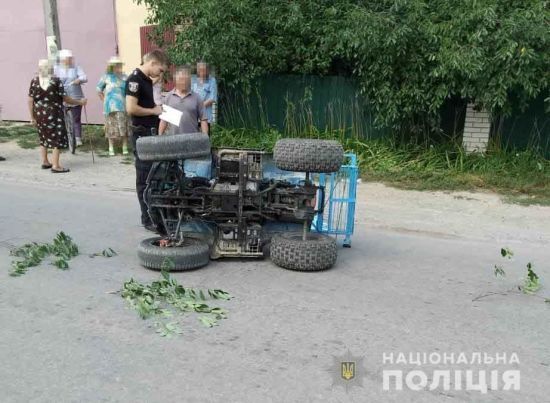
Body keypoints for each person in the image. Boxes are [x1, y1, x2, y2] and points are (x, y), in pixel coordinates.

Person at [125, 50, 167, 231]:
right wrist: (153, 111)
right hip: (141, 135)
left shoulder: (146, 79)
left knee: (154, 176)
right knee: (144, 178)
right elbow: (131, 108)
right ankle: (147, 218)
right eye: (160, 70)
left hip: (150, 133)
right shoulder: (135, 80)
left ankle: (155, 215)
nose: (160, 74)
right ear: (153, 63)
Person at [28, 59, 87, 173]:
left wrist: (32, 117)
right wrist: (80, 102)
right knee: (57, 138)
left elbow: (30, 100)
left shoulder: (34, 81)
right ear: (51, 68)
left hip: (39, 114)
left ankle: (45, 161)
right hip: (54, 114)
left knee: (43, 137)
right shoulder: (55, 81)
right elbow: (66, 99)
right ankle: (55, 165)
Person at [159, 65, 208, 136]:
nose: (184, 82)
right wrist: (160, 136)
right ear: (175, 80)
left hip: (193, 139)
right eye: (181, 79)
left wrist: (205, 137)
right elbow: (164, 120)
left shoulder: (197, 97)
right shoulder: (168, 97)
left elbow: (203, 119)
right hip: (173, 139)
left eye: (186, 80)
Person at [97, 56, 130, 156]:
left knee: (123, 126)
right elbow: (98, 89)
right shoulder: (106, 76)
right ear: (111, 66)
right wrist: (104, 100)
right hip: (109, 107)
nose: (116, 67)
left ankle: (124, 146)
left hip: (122, 105)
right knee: (110, 127)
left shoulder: (125, 77)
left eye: (118, 65)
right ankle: (111, 147)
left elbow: (129, 91)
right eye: (114, 65)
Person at [54, 49, 87, 146]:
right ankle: (64, 137)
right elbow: (50, 78)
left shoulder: (76, 67)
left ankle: (77, 138)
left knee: (76, 118)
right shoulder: (56, 68)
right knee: (62, 118)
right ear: (62, 59)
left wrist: (79, 79)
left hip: (76, 95)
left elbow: (84, 77)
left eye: (70, 58)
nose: (70, 60)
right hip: (61, 95)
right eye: (68, 58)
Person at [191, 61, 217, 130]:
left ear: (207, 70)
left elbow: (212, 98)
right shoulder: (193, 80)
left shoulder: (212, 80)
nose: (201, 72)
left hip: (206, 116)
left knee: (205, 135)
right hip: (193, 117)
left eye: (203, 69)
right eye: (199, 69)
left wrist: (199, 107)